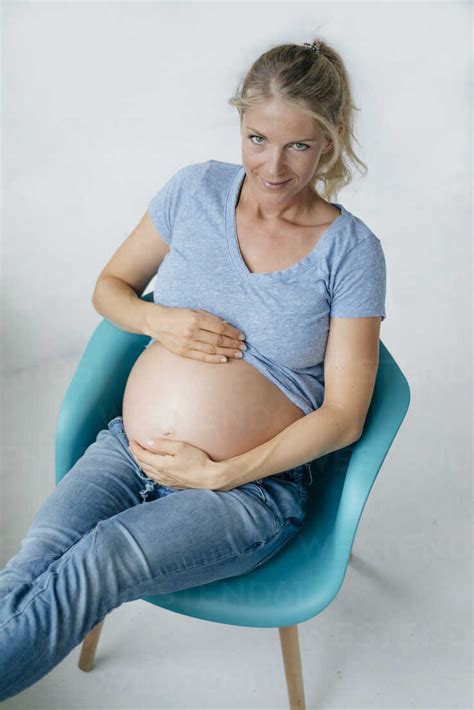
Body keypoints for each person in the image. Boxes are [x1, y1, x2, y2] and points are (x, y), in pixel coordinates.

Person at [0, 38, 386, 700]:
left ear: (330, 139)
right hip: (130, 450)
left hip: (245, 493)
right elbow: (111, 287)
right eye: (257, 137)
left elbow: (346, 416)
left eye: (297, 145)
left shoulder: (351, 252)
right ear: (239, 123)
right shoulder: (193, 191)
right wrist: (159, 320)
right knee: (27, 569)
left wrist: (222, 472)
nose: (272, 164)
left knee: (99, 560)